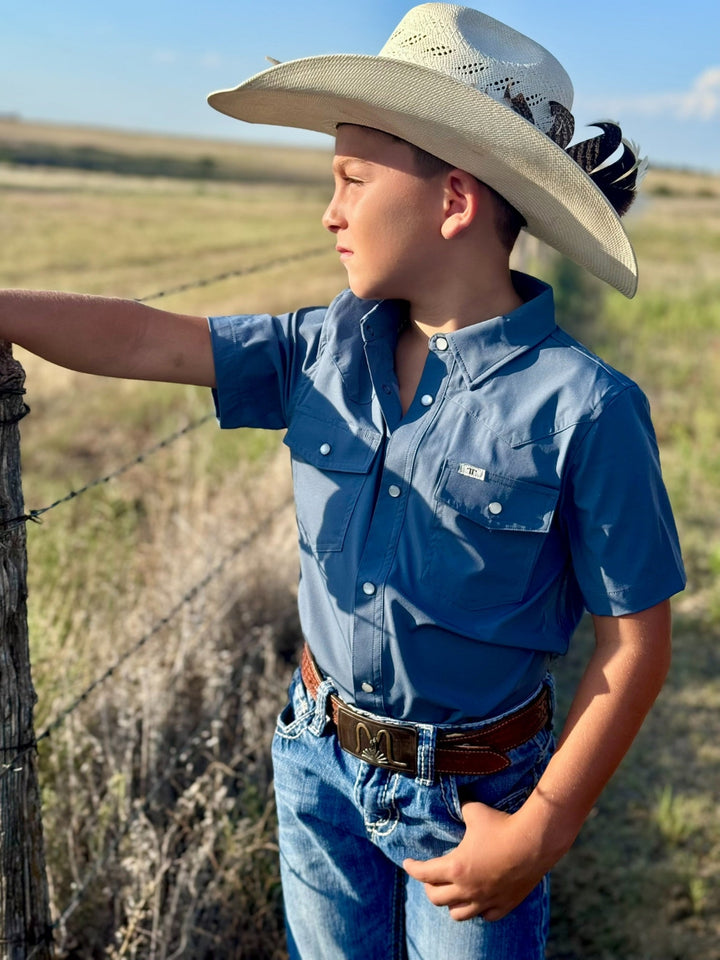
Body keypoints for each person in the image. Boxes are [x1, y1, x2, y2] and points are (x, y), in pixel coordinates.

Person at [1, 5, 686, 958]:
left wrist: (545, 828)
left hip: (475, 796)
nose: (329, 212)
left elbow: (635, 643)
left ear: (454, 202)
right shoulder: (321, 350)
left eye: (352, 180)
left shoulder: (584, 408)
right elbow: (146, 337)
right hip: (316, 760)